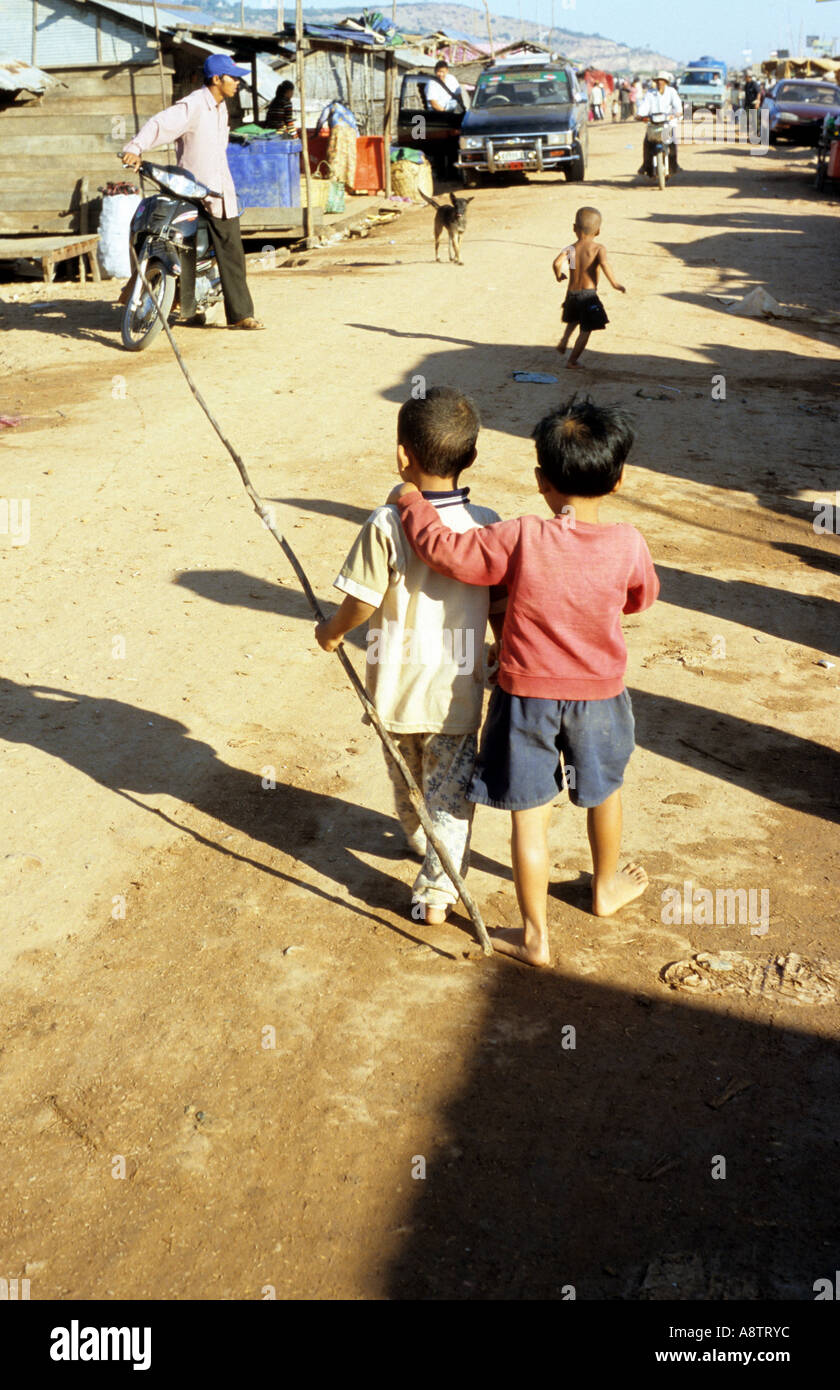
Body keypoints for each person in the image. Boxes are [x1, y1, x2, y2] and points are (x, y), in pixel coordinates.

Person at [390, 397, 659, 967]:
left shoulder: (520, 537)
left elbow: (446, 552)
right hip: (601, 696)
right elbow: (641, 598)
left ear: (541, 480)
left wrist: (413, 502)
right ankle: (605, 886)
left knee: (528, 817)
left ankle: (535, 937)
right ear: (618, 481)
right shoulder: (629, 543)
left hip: (526, 698)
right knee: (605, 790)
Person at [314, 388, 505, 925]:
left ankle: (430, 861)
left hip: (394, 689)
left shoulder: (385, 523)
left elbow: (360, 603)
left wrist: (329, 632)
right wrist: (500, 644)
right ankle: (439, 881)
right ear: (470, 458)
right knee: (449, 796)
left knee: (407, 782)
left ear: (403, 456)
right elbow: (500, 604)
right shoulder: (488, 523)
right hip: (457, 695)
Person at [121, 54, 263, 330]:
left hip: (220, 193)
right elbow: (160, 124)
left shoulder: (221, 108)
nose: (237, 83)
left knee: (231, 253)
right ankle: (179, 304)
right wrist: (135, 147)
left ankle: (241, 314)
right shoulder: (194, 105)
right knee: (180, 246)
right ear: (216, 79)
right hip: (190, 191)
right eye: (232, 78)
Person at [553, 207, 625, 369]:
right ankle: (572, 361)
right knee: (586, 329)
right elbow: (605, 264)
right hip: (588, 295)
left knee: (574, 319)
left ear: (574, 228)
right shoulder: (598, 248)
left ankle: (564, 340)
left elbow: (557, 263)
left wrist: (559, 276)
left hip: (571, 293)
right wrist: (615, 284)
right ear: (598, 231)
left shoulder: (570, 249)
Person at [635, 69, 682, 177]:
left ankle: (673, 166)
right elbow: (645, 106)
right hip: (653, 124)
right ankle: (646, 166)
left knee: (673, 145)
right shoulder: (650, 93)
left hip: (668, 123)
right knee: (647, 143)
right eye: (658, 80)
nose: (660, 82)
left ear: (666, 82)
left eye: (662, 80)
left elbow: (677, 105)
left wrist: (678, 112)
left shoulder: (671, 92)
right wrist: (640, 114)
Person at [315, 99, 359, 190]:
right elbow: (356, 129)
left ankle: (334, 181)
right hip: (351, 133)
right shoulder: (347, 112)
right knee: (349, 157)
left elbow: (321, 120)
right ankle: (348, 183)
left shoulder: (331, 107)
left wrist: (316, 132)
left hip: (339, 130)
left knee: (335, 154)